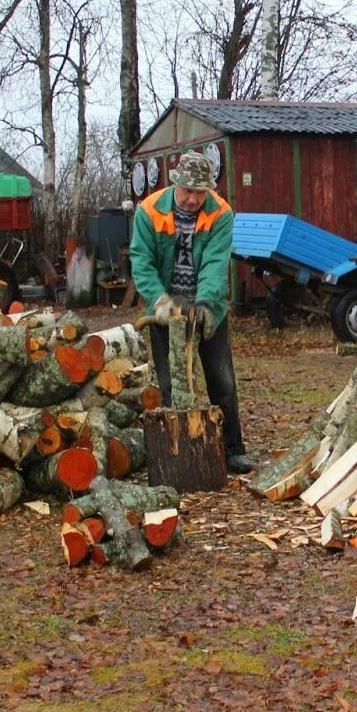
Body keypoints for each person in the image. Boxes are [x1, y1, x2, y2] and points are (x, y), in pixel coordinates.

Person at [130, 151, 254, 474]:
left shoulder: (221, 213)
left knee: (221, 379)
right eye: (187, 191)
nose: (192, 199)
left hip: (205, 305)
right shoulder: (148, 211)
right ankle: (175, 454)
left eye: (200, 193)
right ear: (176, 183)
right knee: (169, 382)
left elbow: (215, 265)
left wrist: (206, 305)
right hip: (164, 306)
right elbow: (141, 262)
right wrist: (159, 301)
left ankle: (232, 448)